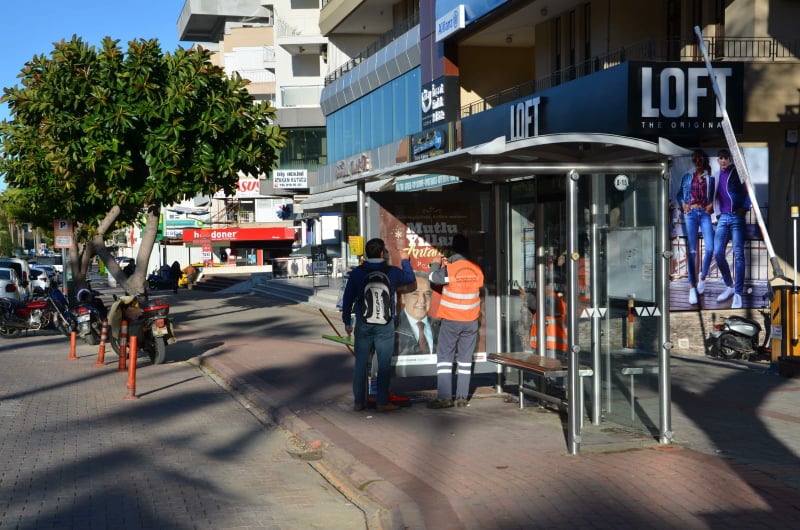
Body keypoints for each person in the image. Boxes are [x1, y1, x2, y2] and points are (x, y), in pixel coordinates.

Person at [341, 238, 415, 412]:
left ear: (367, 254)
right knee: (383, 364)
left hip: (363, 324)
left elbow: (348, 298)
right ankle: (382, 402)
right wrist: (405, 260)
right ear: (382, 253)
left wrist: (346, 320)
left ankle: (359, 401)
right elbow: (410, 278)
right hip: (385, 325)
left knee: (361, 363)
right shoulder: (392, 272)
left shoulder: (357, 273)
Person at [427, 234, 484, 409]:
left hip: (451, 320)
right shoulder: (477, 270)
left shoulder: (450, 269)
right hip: (470, 321)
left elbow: (433, 278)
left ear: (453, 248)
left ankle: (445, 397)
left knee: (445, 358)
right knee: (465, 360)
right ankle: (461, 398)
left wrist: (435, 263)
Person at [712, 148, 751, 310]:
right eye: (720, 158)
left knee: (738, 254)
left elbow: (749, 190)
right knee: (717, 253)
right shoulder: (716, 175)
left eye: (725, 158)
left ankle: (738, 293)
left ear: (730, 159)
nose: (723, 160)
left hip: (736, 217)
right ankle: (729, 285)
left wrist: (745, 208)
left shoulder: (737, 172)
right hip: (723, 218)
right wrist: (716, 214)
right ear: (718, 160)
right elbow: (713, 196)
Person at [676, 149, 716, 305]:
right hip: (690, 214)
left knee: (710, 248)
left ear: (704, 161)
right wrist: (683, 204)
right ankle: (692, 287)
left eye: (700, 159)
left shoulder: (710, 179)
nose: (697, 161)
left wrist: (712, 205)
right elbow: (679, 195)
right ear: (693, 161)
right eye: (695, 159)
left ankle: (703, 277)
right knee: (692, 251)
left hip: (704, 214)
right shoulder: (687, 177)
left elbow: (714, 198)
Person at [394, 271, 441, 357]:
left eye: (427, 294)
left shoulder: (442, 328)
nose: (422, 300)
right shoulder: (390, 329)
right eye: (415, 294)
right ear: (403, 298)